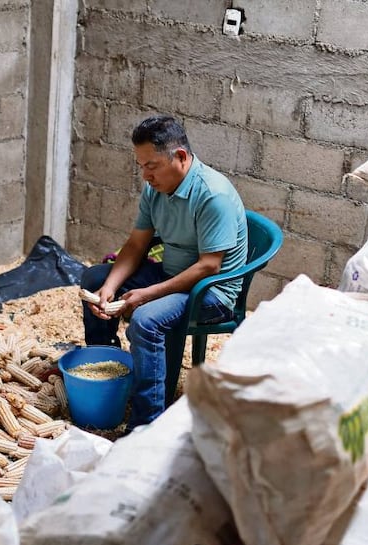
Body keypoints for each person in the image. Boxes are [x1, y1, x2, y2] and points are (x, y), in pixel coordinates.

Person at [80, 115, 248, 431]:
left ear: (180, 158)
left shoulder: (213, 195)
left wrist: (147, 294)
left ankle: (146, 423)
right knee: (95, 279)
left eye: (152, 166)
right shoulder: (156, 190)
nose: (145, 175)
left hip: (210, 291)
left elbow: (208, 266)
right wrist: (111, 286)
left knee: (146, 320)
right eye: (141, 165)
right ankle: (108, 371)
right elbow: (136, 244)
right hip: (172, 275)